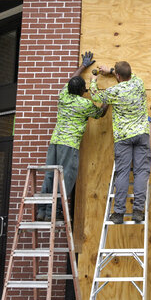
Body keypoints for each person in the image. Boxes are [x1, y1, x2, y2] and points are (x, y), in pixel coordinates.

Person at [35, 51, 107, 221]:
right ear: (82, 90)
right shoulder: (84, 104)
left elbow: (71, 80)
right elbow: (100, 113)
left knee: (50, 175)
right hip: (69, 145)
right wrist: (108, 99)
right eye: (84, 88)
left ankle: (42, 211)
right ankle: (55, 211)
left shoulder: (63, 95)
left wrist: (83, 66)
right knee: (65, 177)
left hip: (55, 142)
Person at [90, 60, 151, 224]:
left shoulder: (114, 91)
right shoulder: (138, 83)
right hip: (141, 134)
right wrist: (111, 70)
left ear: (117, 76)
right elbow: (128, 74)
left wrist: (93, 80)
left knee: (122, 173)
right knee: (141, 172)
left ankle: (118, 213)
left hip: (123, 138)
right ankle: (138, 211)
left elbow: (95, 95)